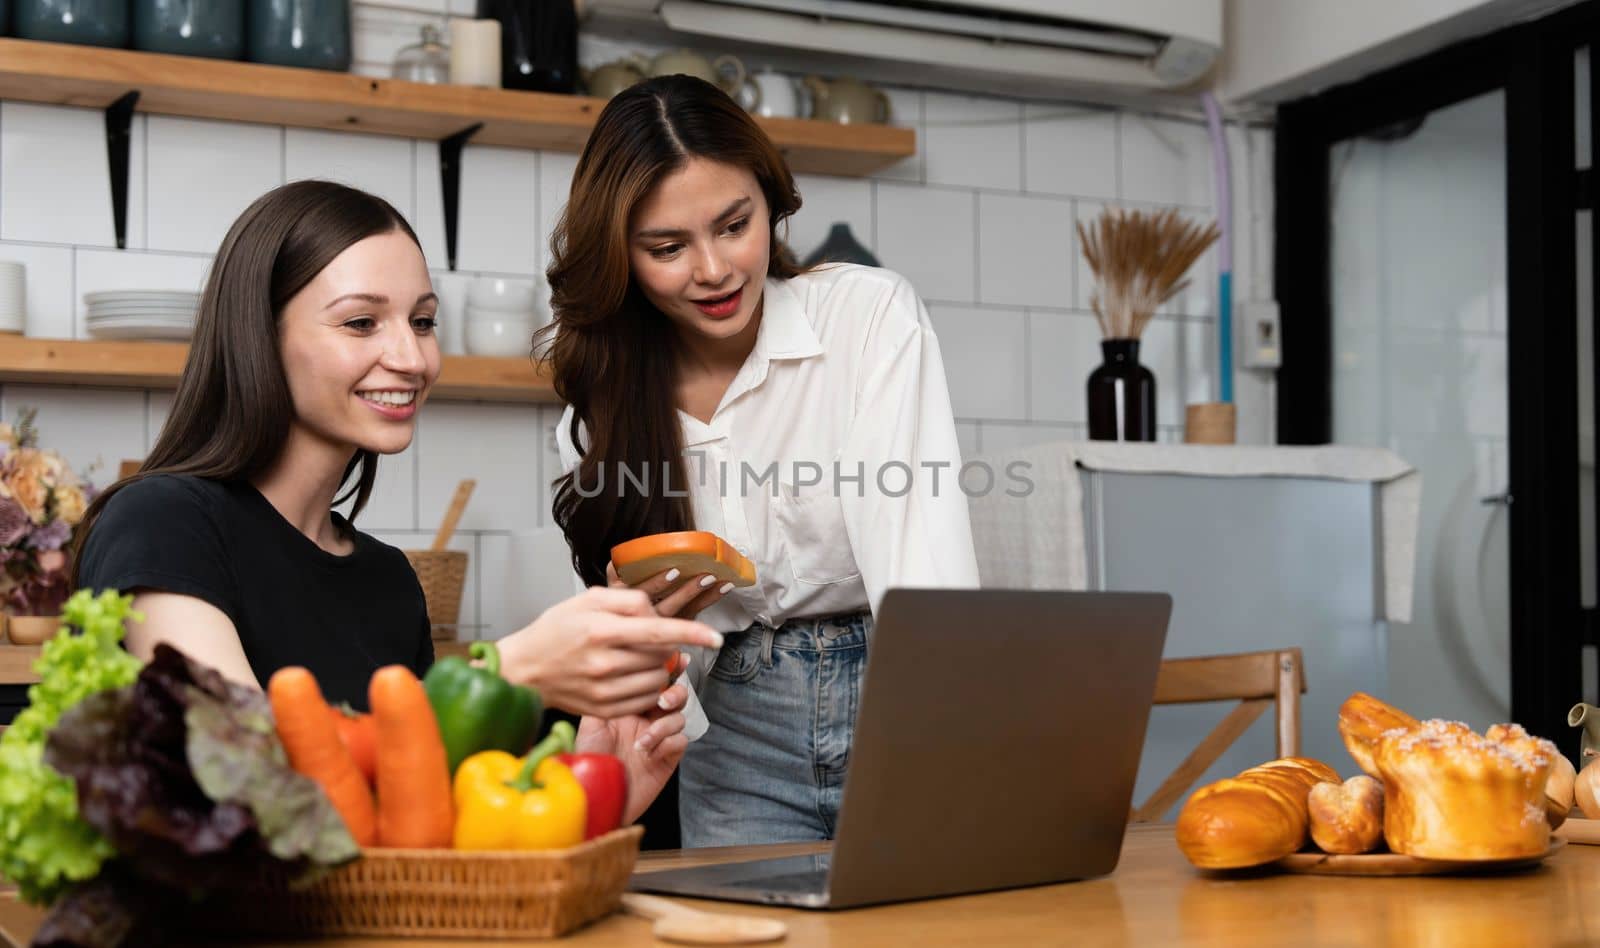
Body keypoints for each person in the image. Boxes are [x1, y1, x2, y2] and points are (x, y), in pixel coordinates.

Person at [72, 180, 716, 823]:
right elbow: (245, 771)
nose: (411, 357)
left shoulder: (387, 580)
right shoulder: (160, 523)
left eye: (423, 321)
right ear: (258, 335)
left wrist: (599, 793)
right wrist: (503, 672)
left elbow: (404, 830)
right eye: (361, 322)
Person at [542, 75, 981, 847]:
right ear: (622, 258)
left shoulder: (867, 317)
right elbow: (641, 660)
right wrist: (639, 616)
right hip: (735, 731)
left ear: (768, 201)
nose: (712, 269)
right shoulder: (600, 412)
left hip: (894, 695)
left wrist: (947, 743)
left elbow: (922, 558)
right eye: (668, 248)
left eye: (733, 224)